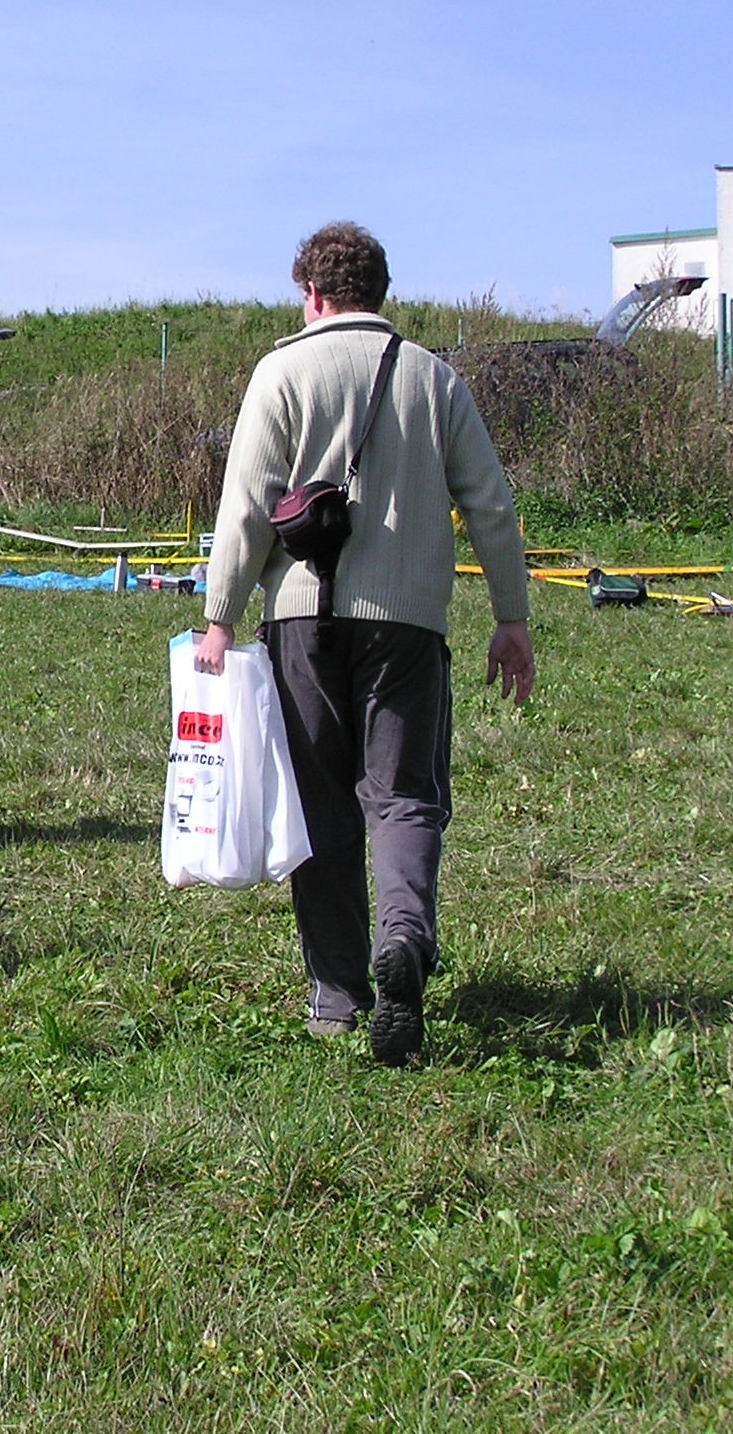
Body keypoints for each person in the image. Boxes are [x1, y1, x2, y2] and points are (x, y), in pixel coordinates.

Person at [196, 222, 534, 1065]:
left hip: (301, 620)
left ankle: (338, 995)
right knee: (404, 794)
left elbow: (246, 502)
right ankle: (405, 939)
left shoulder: (281, 372)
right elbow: (490, 505)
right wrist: (511, 617)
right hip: (409, 623)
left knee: (319, 803)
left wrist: (220, 614)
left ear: (311, 294)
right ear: (380, 292)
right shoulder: (434, 378)